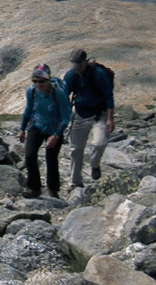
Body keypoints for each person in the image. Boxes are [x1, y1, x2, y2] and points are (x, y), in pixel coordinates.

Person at [63, 48, 115, 189]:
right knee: (75, 149)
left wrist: (110, 119)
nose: (77, 68)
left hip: (100, 114)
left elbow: (109, 96)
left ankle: (94, 164)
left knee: (99, 143)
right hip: (80, 113)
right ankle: (76, 182)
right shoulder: (71, 75)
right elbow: (64, 94)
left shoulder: (99, 74)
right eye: (74, 65)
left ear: (85, 62)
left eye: (79, 65)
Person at [19, 63, 71, 198]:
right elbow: (28, 110)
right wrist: (22, 129)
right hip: (36, 126)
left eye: (41, 81)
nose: (38, 84)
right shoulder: (31, 91)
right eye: (35, 81)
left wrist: (56, 135)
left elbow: (66, 118)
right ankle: (34, 188)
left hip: (54, 128)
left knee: (51, 158)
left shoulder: (58, 93)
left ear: (48, 79)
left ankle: (53, 189)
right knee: (30, 155)